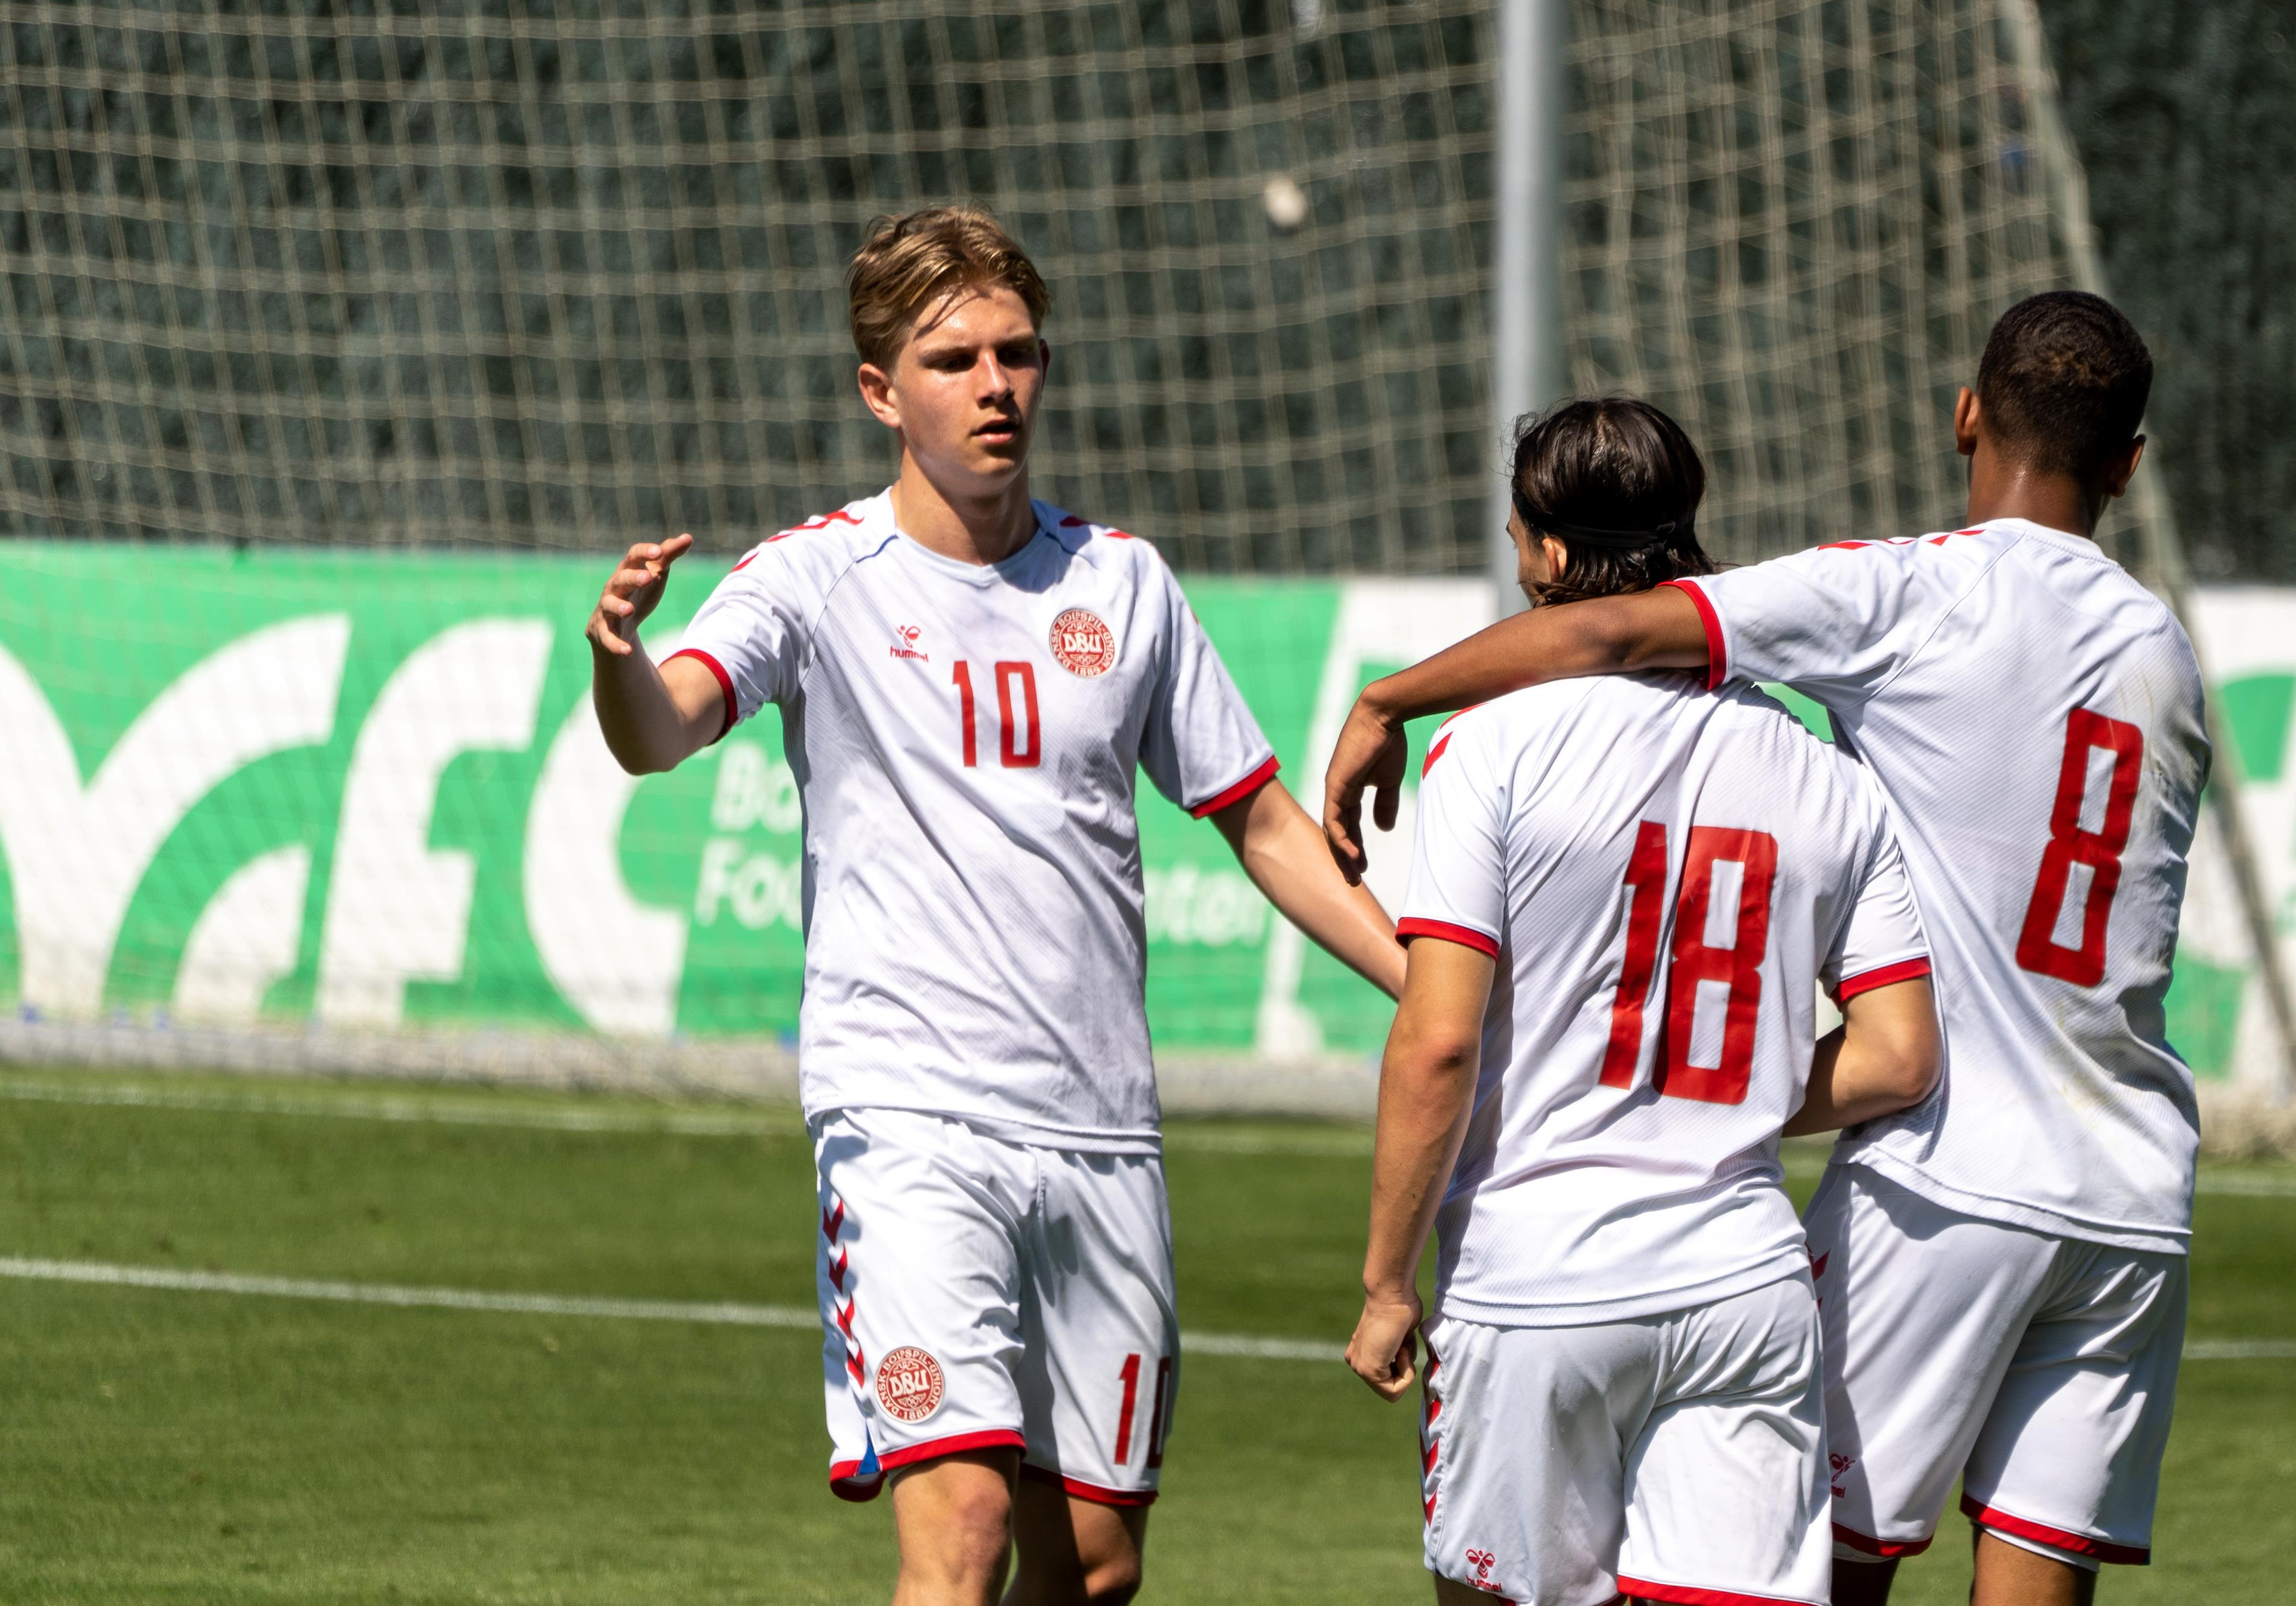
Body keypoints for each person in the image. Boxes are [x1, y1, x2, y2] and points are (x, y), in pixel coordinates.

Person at [1326, 294, 2206, 1606]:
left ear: (1967, 415)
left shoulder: (1909, 590)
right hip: (2134, 1191)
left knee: (1837, 1578)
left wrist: (1392, 693)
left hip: (1945, 1180)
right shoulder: (2166, 657)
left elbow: (1617, 633)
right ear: (2131, 462)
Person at [583, 205, 1404, 1606]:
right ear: (880, 391)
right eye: (953, 358)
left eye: (1017, 353)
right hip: (910, 1123)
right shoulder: (815, 578)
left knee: (1092, 1570)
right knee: (958, 1538)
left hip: (1101, 1129)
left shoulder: (1123, 582)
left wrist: (1427, 979)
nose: (995, 384)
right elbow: (661, 732)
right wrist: (618, 655)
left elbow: (1261, 822)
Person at [1343, 398, 1944, 1606]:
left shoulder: (1491, 742)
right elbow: (1897, 1059)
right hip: (1743, 1286)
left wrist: (1385, 1283)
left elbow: (1442, 1039)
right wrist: (1704, 1100)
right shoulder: (1831, 775)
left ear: (1552, 555)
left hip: (1534, 1284)